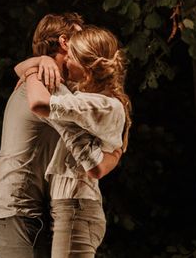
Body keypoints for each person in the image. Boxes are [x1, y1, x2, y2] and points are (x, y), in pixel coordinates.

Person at [0, 14, 121, 257]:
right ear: (65, 42)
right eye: (80, 36)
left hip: (21, 212)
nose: (85, 42)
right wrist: (114, 155)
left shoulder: (49, 83)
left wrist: (30, 66)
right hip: (16, 212)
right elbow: (90, 156)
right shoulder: (47, 86)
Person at [15, 25, 131, 258]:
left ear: (88, 66)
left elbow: (39, 104)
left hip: (77, 207)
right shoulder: (93, 101)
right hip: (72, 206)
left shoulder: (98, 105)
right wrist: (39, 63)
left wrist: (32, 73)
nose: (65, 61)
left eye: (72, 57)